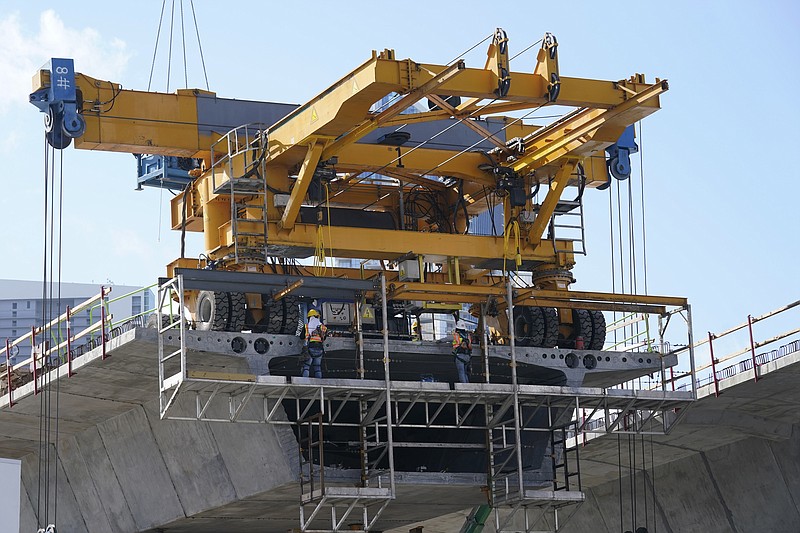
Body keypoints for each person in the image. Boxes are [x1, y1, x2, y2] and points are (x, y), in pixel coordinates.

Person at [301, 309, 328, 378]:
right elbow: (324, 338)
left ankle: (305, 381)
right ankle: (319, 381)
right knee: (317, 366)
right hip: (319, 348)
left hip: (310, 347)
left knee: (307, 366)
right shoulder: (323, 327)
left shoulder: (306, 326)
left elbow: (301, 337)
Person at [451, 319, 473, 383]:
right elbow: (470, 345)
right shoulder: (468, 335)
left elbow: (447, 339)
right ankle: (467, 385)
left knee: (461, 372)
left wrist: (439, 341)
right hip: (467, 356)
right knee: (465, 372)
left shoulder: (456, 335)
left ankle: (464, 386)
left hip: (459, 355)